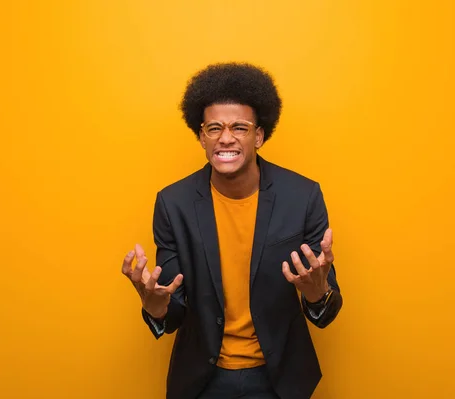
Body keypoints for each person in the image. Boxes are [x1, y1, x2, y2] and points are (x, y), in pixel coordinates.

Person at [121, 63, 343, 399]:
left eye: (239, 127)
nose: (226, 137)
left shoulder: (303, 196)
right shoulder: (173, 204)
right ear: (201, 137)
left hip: (279, 379)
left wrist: (315, 293)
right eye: (214, 128)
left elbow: (325, 311)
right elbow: (172, 310)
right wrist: (155, 305)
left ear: (259, 136)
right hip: (202, 381)